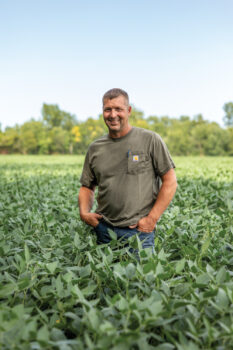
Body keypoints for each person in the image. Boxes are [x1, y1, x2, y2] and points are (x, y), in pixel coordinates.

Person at [78, 88, 177, 251]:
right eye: (108, 109)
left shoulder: (150, 140)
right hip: (104, 231)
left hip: (139, 232)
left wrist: (152, 219)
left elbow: (170, 181)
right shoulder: (95, 148)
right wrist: (84, 213)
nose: (112, 114)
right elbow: (87, 186)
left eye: (118, 109)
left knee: (142, 277)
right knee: (105, 277)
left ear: (129, 110)